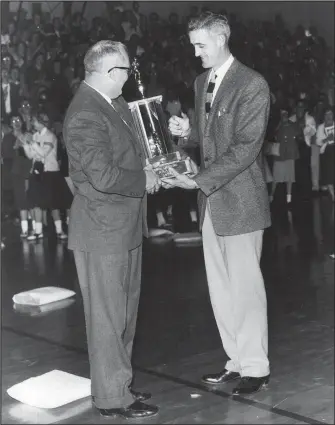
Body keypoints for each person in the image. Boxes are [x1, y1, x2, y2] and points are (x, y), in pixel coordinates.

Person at [166, 12, 271, 396]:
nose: (196, 53)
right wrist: (188, 131)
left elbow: (245, 147)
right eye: (193, 45)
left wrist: (198, 178)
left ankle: (257, 367)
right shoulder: (201, 81)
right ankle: (236, 361)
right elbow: (212, 136)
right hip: (211, 202)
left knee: (246, 288)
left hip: (241, 200)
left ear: (222, 38)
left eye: (200, 44)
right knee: (221, 289)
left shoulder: (252, 84)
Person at [62, 40, 159, 419]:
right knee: (107, 319)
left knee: (124, 316)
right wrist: (145, 178)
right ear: (106, 72)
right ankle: (111, 398)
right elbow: (103, 176)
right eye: (125, 71)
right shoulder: (86, 112)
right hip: (103, 231)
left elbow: (130, 152)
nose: (129, 77)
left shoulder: (111, 104)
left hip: (123, 226)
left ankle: (119, 383)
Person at [269, 107, 300, 204]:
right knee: (276, 177)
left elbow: (298, 133)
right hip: (279, 155)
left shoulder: (293, 125)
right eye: (282, 114)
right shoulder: (277, 125)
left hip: (290, 154)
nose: (284, 115)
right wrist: (279, 125)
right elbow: (273, 136)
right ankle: (271, 196)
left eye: (285, 113)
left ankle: (289, 198)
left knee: (289, 177)